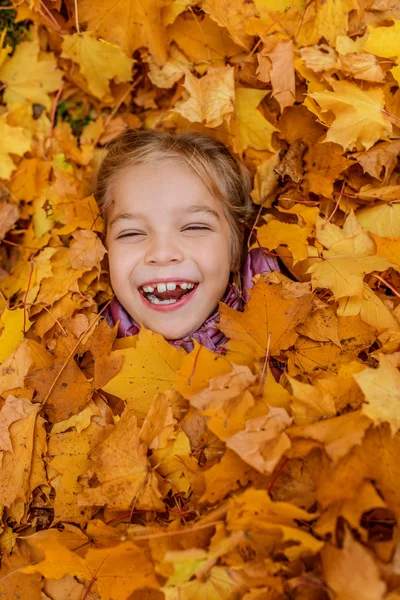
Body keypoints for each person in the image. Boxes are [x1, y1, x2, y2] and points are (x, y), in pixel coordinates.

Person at [95, 129, 282, 377]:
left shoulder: (287, 324)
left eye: (194, 227)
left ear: (235, 249)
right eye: (131, 233)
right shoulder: (83, 354)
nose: (162, 253)